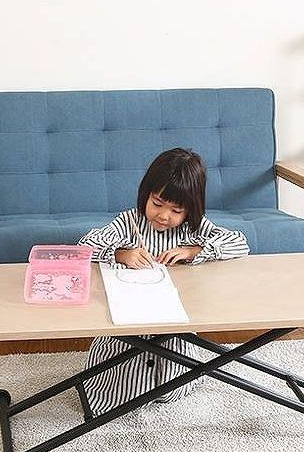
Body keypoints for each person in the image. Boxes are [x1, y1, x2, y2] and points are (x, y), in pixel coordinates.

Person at [77, 147, 250, 417]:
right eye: (157, 203)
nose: (164, 215)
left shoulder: (194, 228)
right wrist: (122, 254)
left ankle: (169, 384)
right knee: (114, 390)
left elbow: (240, 243)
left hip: (174, 331)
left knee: (174, 380)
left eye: (176, 210)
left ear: (190, 209)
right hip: (128, 331)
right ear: (146, 194)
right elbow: (85, 246)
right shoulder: (129, 222)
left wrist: (194, 250)